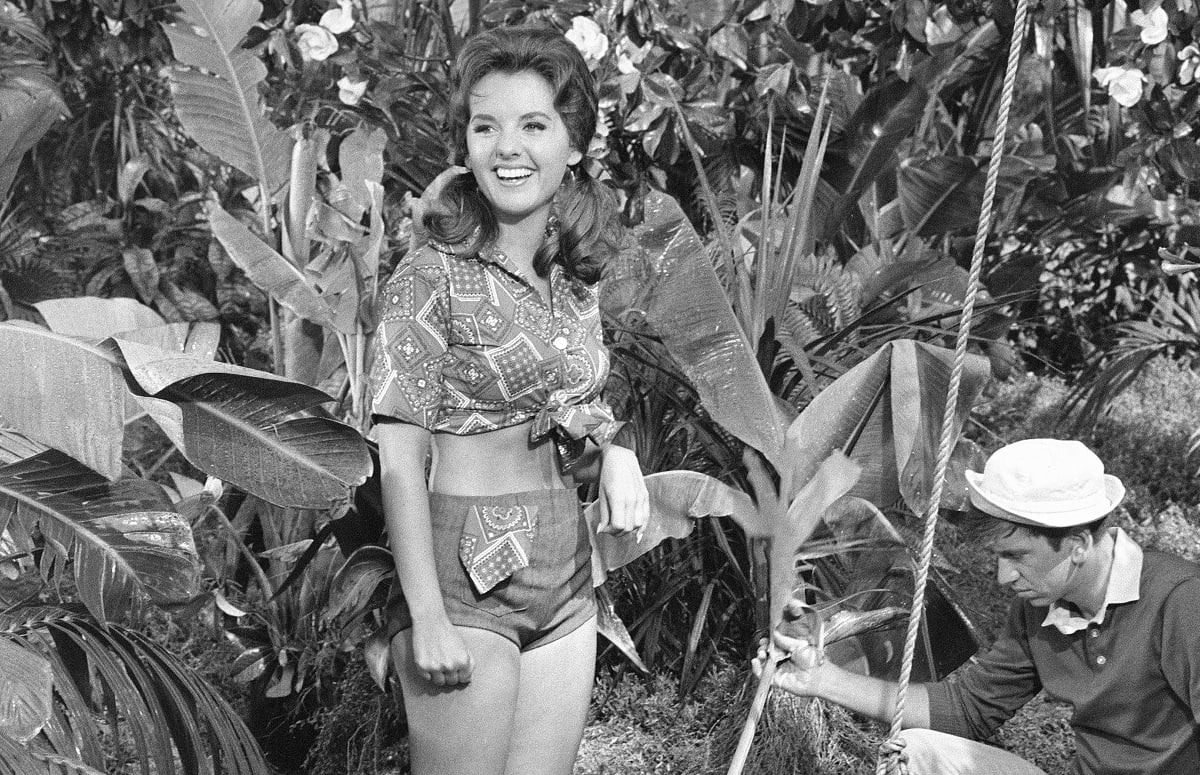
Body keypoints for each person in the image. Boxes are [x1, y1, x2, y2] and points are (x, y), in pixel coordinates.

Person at [368, 25, 649, 775]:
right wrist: (425, 613)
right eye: (485, 126)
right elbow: (398, 455)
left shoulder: (577, 285)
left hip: (564, 565)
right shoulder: (430, 278)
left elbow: (571, 415)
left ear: (575, 144)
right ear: (464, 144)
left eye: (534, 125)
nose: (507, 147)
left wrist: (614, 453)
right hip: (462, 571)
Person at [754, 438, 1200, 775]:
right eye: (1000, 558)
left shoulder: (1180, 602)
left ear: (1078, 544)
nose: (1004, 578)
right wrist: (822, 679)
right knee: (915, 753)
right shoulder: (1040, 607)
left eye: (1018, 557)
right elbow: (966, 710)